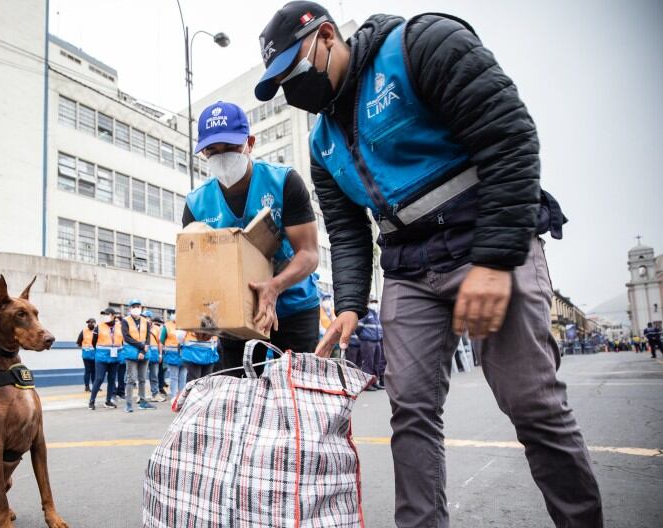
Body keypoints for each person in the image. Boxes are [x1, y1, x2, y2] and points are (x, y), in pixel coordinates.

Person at [254, 2, 602, 526]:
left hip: (486, 240)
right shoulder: (323, 143)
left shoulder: (420, 46)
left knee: (532, 403)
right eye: (278, 84)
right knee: (412, 413)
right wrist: (348, 306)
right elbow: (348, 234)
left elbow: (509, 139)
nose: (291, 91)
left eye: (292, 72)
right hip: (409, 269)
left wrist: (493, 260)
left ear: (326, 36)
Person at [183, 100, 320, 374]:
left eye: (231, 148)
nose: (222, 157)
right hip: (237, 312)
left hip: (293, 304)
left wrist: (275, 286)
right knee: (240, 396)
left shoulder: (284, 183)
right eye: (212, 150)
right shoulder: (197, 204)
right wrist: (204, 319)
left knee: (295, 393)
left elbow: (309, 254)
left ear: (250, 143)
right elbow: (200, 272)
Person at [120, 300, 156, 412]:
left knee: (142, 379)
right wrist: (141, 347)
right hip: (131, 353)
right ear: (130, 308)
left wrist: (143, 351)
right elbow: (126, 337)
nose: (136, 308)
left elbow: (148, 338)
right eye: (134, 306)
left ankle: (143, 402)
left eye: (138, 306)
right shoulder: (125, 321)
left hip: (144, 353)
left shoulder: (146, 321)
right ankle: (128, 405)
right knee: (131, 379)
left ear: (141, 308)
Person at [89, 308, 122, 410]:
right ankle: (91, 401)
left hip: (115, 357)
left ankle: (108, 401)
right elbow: (93, 342)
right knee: (99, 379)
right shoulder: (98, 327)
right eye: (104, 314)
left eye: (107, 314)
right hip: (101, 358)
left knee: (112, 379)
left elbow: (122, 341)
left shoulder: (120, 327)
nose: (105, 316)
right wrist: (101, 351)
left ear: (113, 315)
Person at [356, 298, 382, 391]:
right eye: (372, 302)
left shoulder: (375, 314)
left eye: (376, 302)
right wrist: (363, 336)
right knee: (368, 363)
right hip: (367, 341)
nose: (374, 304)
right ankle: (367, 385)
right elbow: (358, 327)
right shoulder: (366, 313)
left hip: (376, 341)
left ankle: (374, 382)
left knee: (376, 363)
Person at [146, 315, 166, 403]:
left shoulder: (157, 329)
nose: (146, 319)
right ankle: (141, 396)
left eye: (147, 317)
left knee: (154, 375)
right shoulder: (140, 328)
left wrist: (160, 354)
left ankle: (155, 394)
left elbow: (160, 342)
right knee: (141, 376)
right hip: (143, 354)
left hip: (154, 355)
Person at [77, 318, 98, 391]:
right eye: (88, 323)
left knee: (94, 371)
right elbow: (78, 342)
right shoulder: (84, 331)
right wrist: (85, 348)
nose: (89, 324)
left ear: (94, 323)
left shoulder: (97, 331)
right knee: (88, 370)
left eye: (91, 322)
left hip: (95, 354)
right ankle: (87, 387)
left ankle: (95, 386)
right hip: (86, 355)